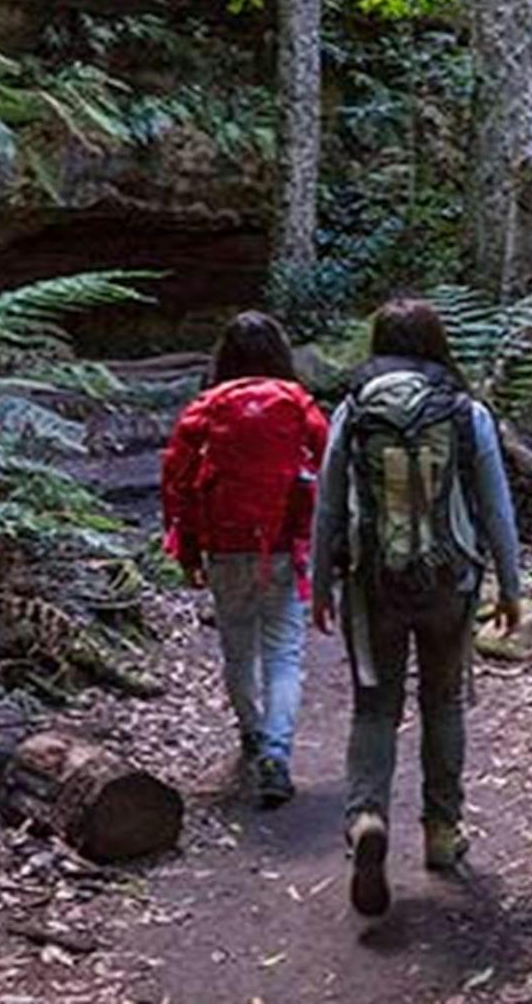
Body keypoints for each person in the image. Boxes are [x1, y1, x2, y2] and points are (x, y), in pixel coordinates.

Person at [311, 297, 523, 917]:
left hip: (372, 582)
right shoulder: (466, 412)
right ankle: (441, 832)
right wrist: (510, 585)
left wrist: (321, 583)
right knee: (443, 702)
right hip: (449, 582)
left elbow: (327, 505)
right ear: (437, 346)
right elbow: (495, 505)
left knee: (375, 707)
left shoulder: (352, 411)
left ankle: (367, 818)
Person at [161, 310, 328, 807]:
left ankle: (252, 734)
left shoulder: (205, 408)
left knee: (238, 648)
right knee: (283, 652)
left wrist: (186, 550)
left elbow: (177, 483)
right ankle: (277, 751)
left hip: (224, 544)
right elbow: (328, 469)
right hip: (285, 545)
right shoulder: (299, 405)